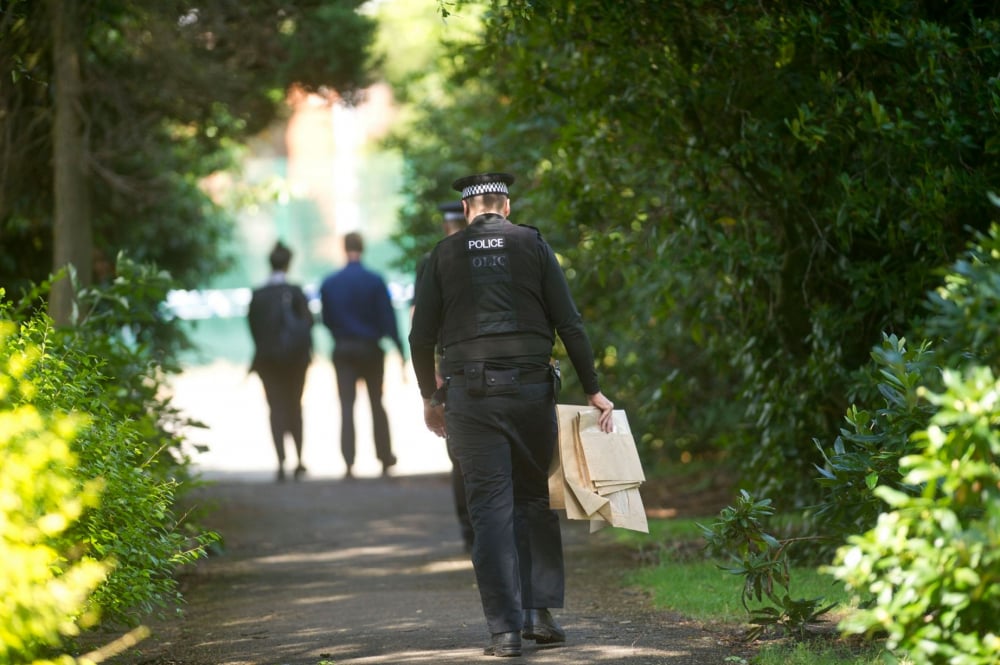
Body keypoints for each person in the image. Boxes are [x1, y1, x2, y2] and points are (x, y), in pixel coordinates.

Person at [408, 172, 614, 657]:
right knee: (531, 500)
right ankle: (537, 614)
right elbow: (570, 322)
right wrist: (594, 390)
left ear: (466, 211)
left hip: (471, 400)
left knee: (489, 510)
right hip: (530, 393)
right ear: (506, 205)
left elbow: (421, 339)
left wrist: (429, 398)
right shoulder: (534, 246)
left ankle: (504, 632)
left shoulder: (441, 256)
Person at [414, 201, 474, 553]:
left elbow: (418, 319)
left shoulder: (432, 259)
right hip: (470, 364)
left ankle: (469, 531)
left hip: (447, 364)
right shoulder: (480, 256)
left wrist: (430, 375)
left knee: (459, 453)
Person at [319, 231, 405, 478]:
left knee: (346, 405)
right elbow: (388, 318)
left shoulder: (330, 282)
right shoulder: (375, 280)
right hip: (370, 349)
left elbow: (326, 319)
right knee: (377, 403)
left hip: (343, 349)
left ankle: (349, 461)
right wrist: (400, 350)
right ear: (363, 248)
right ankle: (385, 457)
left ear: (343, 248)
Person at [247, 241, 313, 482]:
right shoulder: (296, 292)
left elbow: (253, 329)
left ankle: (281, 462)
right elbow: (308, 324)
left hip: (267, 361)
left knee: (275, 407)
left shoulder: (258, 295)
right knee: (295, 405)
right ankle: (299, 460)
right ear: (288, 263)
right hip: (296, 361)